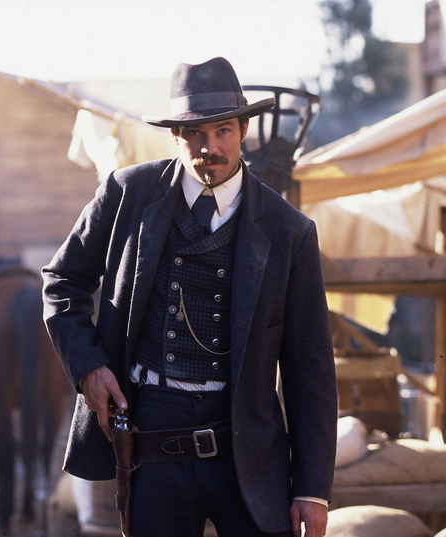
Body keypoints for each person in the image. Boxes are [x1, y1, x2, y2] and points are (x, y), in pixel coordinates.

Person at [42, 57, 337, 537]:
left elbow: (311, 367)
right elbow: (61, 281)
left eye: (222, 131)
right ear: (176, 136)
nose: (210, 147)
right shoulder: (126, 193)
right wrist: (88, 367)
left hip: (248, 449)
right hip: (151, 434)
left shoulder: (290, 232)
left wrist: (311, 489)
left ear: (243, 129)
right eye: (196, 134)